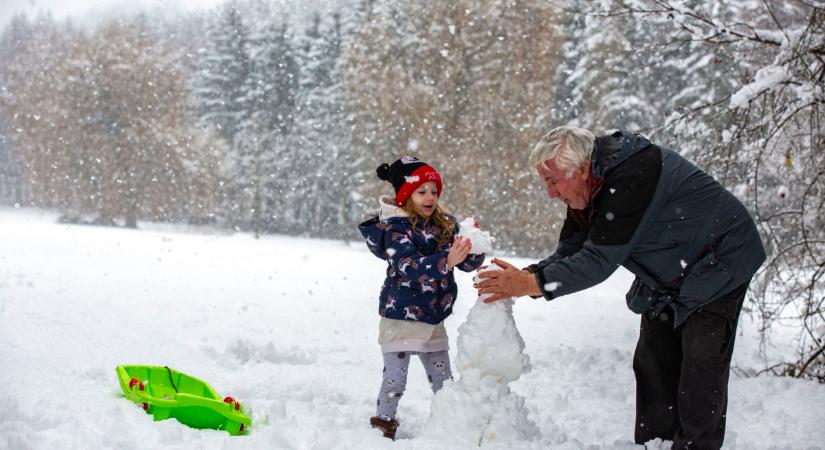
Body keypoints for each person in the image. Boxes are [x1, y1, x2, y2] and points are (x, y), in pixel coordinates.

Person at [475, 127, 765, 450]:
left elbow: (598, 261)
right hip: (672, 273)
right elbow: (572, 249)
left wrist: (530, 285)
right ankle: (655, 443)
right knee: (653, 359)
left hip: (721, 259)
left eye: (552, 181)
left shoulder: (632, 176)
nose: (551, 193)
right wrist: (528, 276)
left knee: (700, 367)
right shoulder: (591, 189)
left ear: (582, 168)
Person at [359, 156, 485, 440]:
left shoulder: (443, 224)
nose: (430, 197)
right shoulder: (396, 229)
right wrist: (446, 260)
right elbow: (409, 266)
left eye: (434, 191)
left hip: (433, 316)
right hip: (400, 317)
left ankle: (453, 419)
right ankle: (383, 424)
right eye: (421, 191)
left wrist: (472, 242)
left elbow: (464, 263)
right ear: (406, 196)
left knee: (443, 379)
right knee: (395, 379)